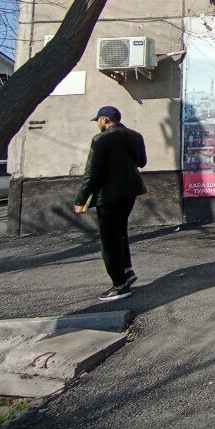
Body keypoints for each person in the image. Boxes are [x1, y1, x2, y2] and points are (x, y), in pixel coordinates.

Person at [74, 106, 147, 302]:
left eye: (98, 120)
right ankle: (127, 270)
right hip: (130, 191)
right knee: (120, 232)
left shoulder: (101, 139)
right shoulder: (135, 136)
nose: (97, 124)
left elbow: (92, 173)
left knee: (109, 241)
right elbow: (142, 162)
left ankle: (119, 285)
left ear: (105, 119)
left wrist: (81, 200)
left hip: (108, 195)